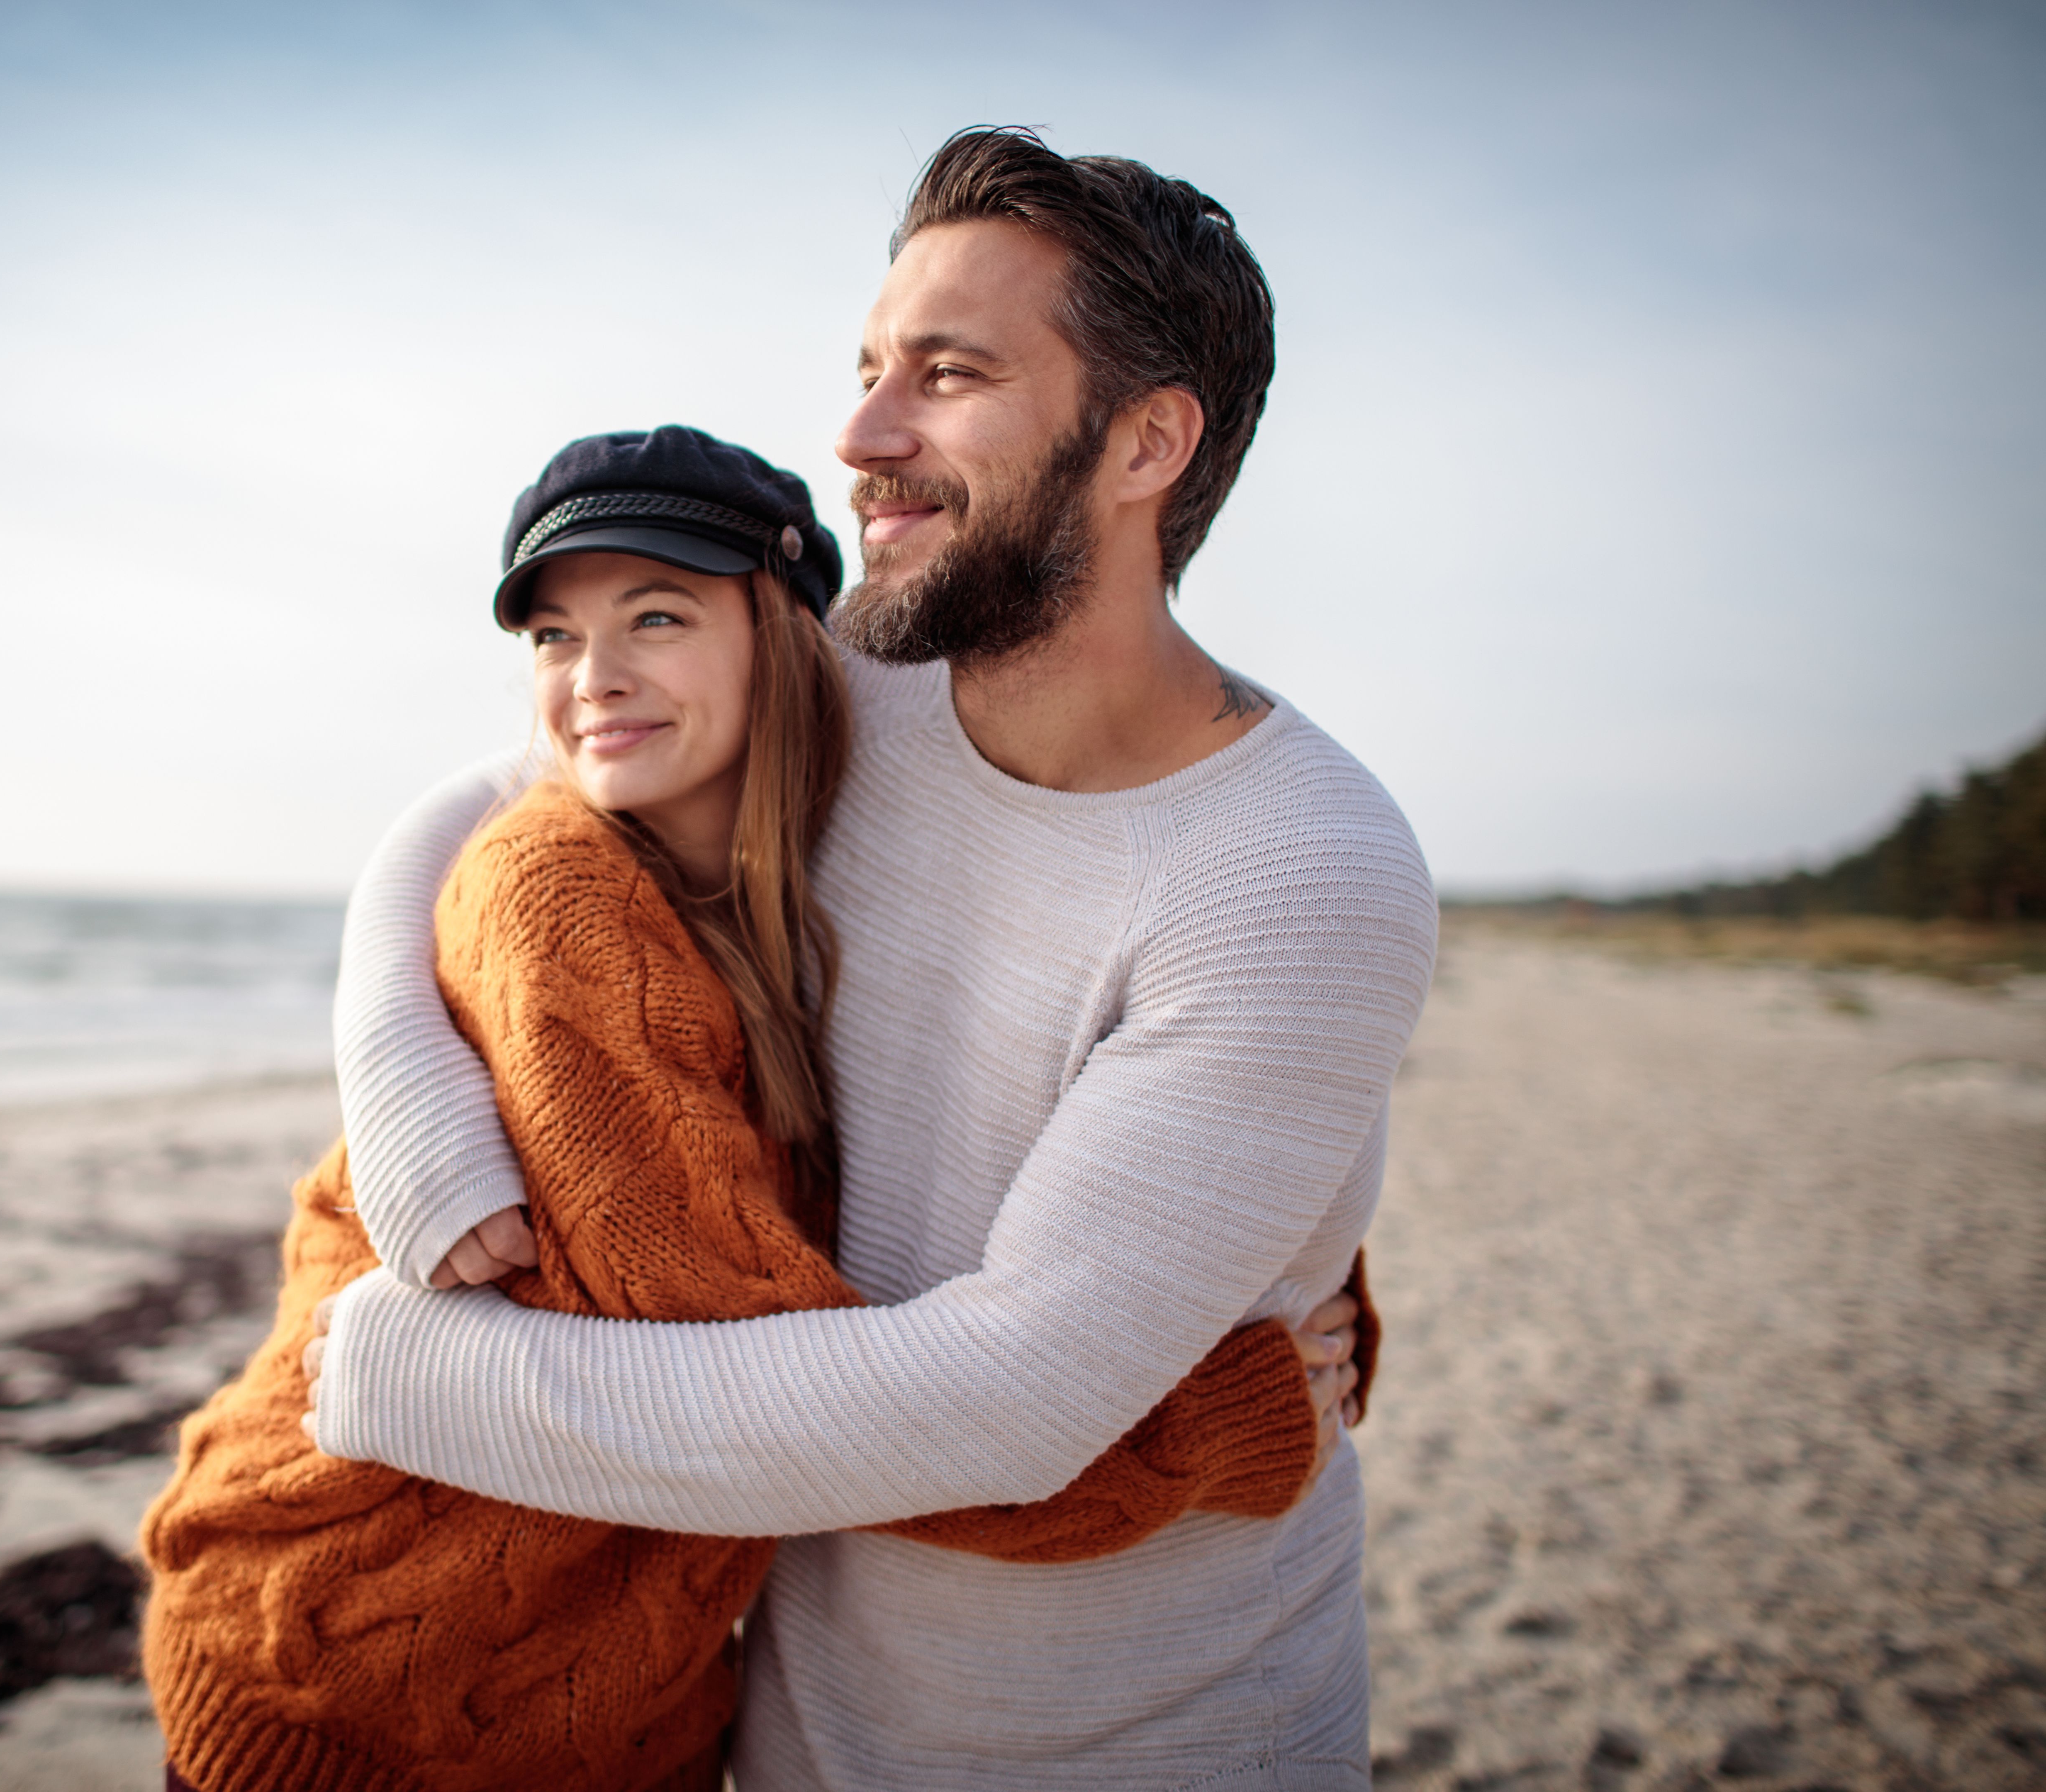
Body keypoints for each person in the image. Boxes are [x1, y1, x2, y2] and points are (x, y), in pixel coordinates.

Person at [304, 131, 1437, 1788]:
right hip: (795, 1718)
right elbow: (466, 812)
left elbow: (1005, 1400)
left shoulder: (1295, 868)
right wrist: (410, 1092)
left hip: (1148, 1741)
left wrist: (426, 1378)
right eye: (866, 368)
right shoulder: (866, 685)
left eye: (949, 374)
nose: (857, 436)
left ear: (1148, 441)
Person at [139, 425, 1369, 1792]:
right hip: (372, 1682)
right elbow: (786, 1421)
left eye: (655, 617)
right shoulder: (564, 905)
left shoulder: (788, 867)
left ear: (792, 639)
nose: (593, 679)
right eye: (553, 636)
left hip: (611, 1698)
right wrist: (1213, 1419)